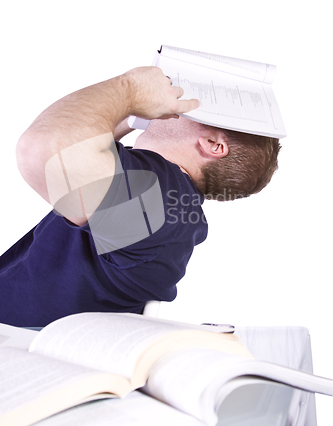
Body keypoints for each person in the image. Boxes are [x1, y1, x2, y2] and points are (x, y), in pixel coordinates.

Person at [0, 67, 280, 327]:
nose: (178, 101)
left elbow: (45, 148)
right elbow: (84, 145)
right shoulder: (167, 198)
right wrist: (133, 113)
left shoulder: (162, 196)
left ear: (212, 145)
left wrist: (131, 90)